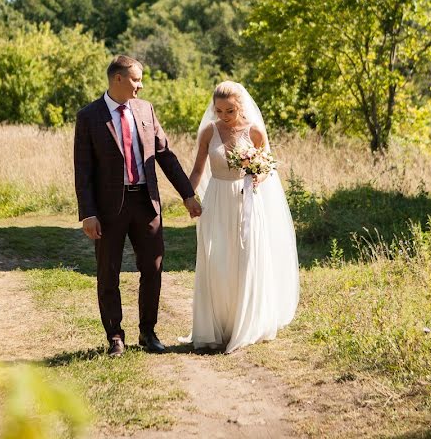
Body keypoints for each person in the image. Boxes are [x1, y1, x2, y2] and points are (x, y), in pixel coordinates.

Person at [74, 55, 203, 357]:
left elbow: (165, 155)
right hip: (108, 208)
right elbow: (83, 170)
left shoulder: (145, 110)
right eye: (136, 79)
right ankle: (115, 336)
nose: (140, 85)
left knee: (153, 267)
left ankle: (148, 332)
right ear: (118, 79)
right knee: (108, 272)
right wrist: (88, 213)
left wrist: (187, 194)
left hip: (146, 202)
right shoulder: (89, 116)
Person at [186, 81, 299, 353]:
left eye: (230, 111)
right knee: (217, 260)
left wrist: (256, 176)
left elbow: (267, 168)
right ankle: (218, 325)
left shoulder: (255, 132)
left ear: (241, 107)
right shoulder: (208, 132)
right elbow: (198, 170)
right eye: (219, 110)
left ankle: (245, 323)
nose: (223, 116)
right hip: (216, 201)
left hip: (246, 199)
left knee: (246, 258)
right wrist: (188, 196)